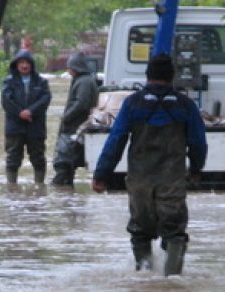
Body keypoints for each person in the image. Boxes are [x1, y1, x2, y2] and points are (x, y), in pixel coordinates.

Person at [91, 53, 207, 276]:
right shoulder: (186, 105)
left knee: (140, 231)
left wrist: (101, 174)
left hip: (140, 180)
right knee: (174, 233)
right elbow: (198, 143)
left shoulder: (132, 104)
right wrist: (196, 170)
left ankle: (144, 279)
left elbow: (116, 140)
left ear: (147, 76)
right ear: (172, 76)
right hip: (172, 179)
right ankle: (172, 283)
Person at [0, 49, 51, 184]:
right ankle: (12, 186)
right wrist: (20, 113)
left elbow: (45, 99)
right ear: (16, 65)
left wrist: (30, 111)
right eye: (21, 63)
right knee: (13, 158)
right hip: (15, 127)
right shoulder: (8, 82)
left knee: (38, 158)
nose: (24, 65)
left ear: (32, 65)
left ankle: (39, 185)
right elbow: (6, 101)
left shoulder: (41, 82)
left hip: (36, 126)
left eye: (27, 63)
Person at [51, 52, 99, 186]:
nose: (68, 69)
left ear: (76, 67)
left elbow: (81, 103)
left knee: (64, 163)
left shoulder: (83, 81)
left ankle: (60, 190)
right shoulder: (84, 80)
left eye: (69, 67)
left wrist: (66, 116)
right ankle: (67, 192)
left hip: (74, 127)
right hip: (77, 127)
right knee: (68, 163)